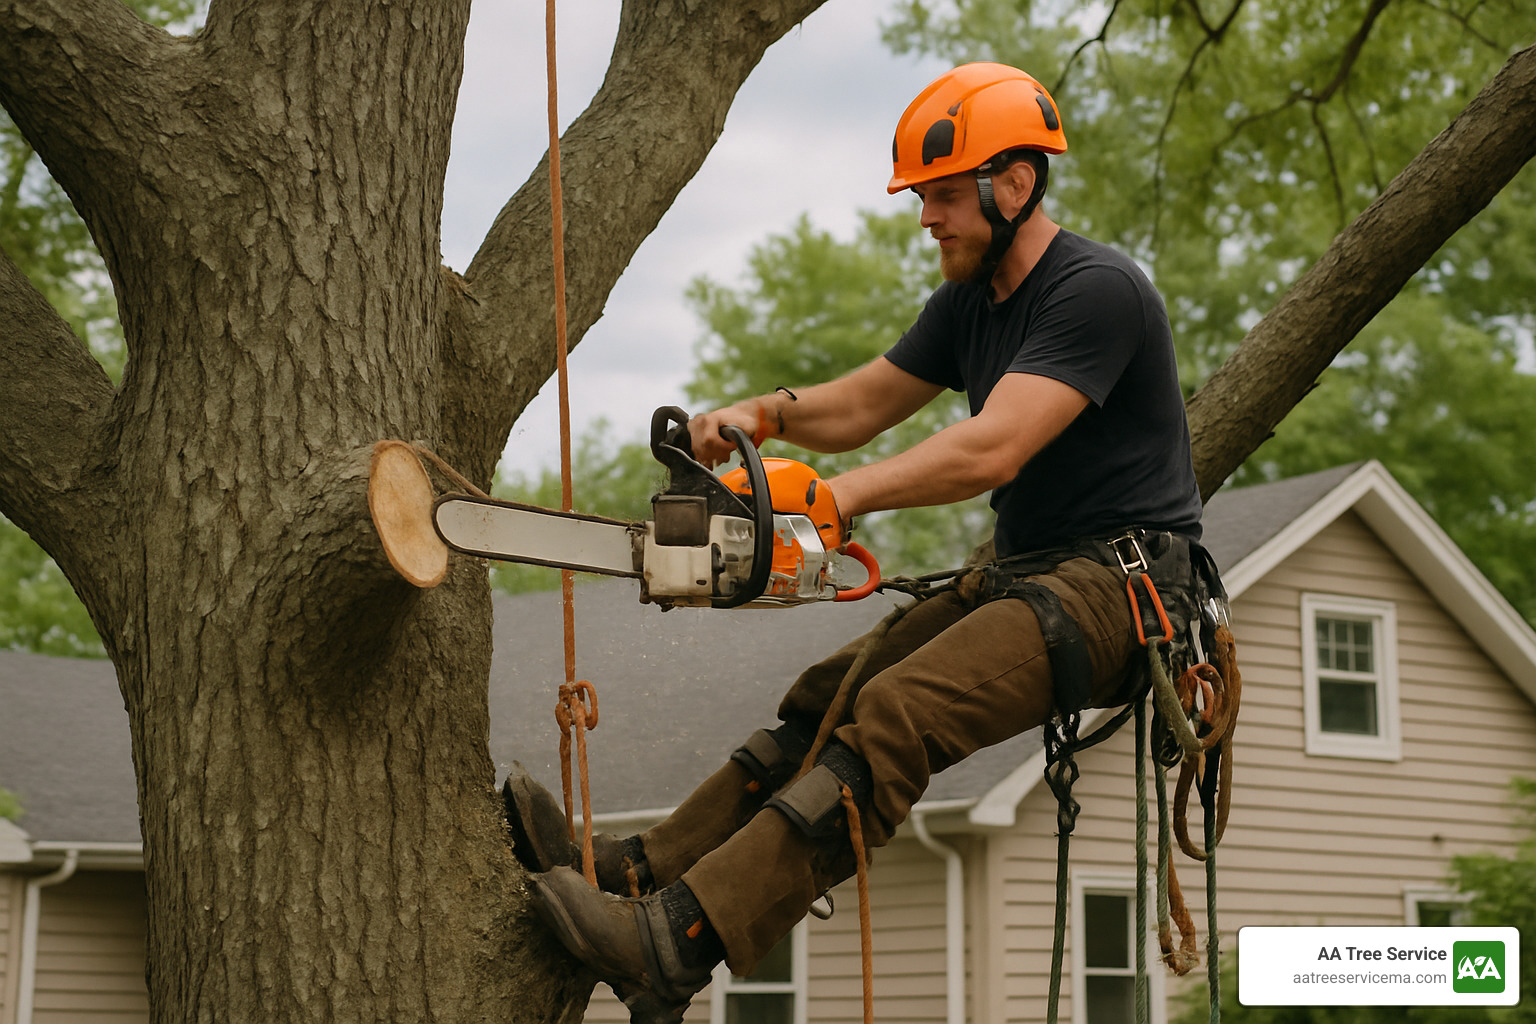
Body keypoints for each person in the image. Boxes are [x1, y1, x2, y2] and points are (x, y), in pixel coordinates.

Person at [507, 62, 1214, 1020]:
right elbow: (867, 401)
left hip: (1123, 592)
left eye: (944, 195)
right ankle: (638, 871)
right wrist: (765, 414)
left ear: (1015, 183)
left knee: (895, 713)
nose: (927, 217)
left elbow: (993, 446)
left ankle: (678, 944)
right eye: (923, 197)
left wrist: (838, 503)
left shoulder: (1096, 292)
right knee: (826, 696)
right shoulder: (969, 304)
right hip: (1028, 578)